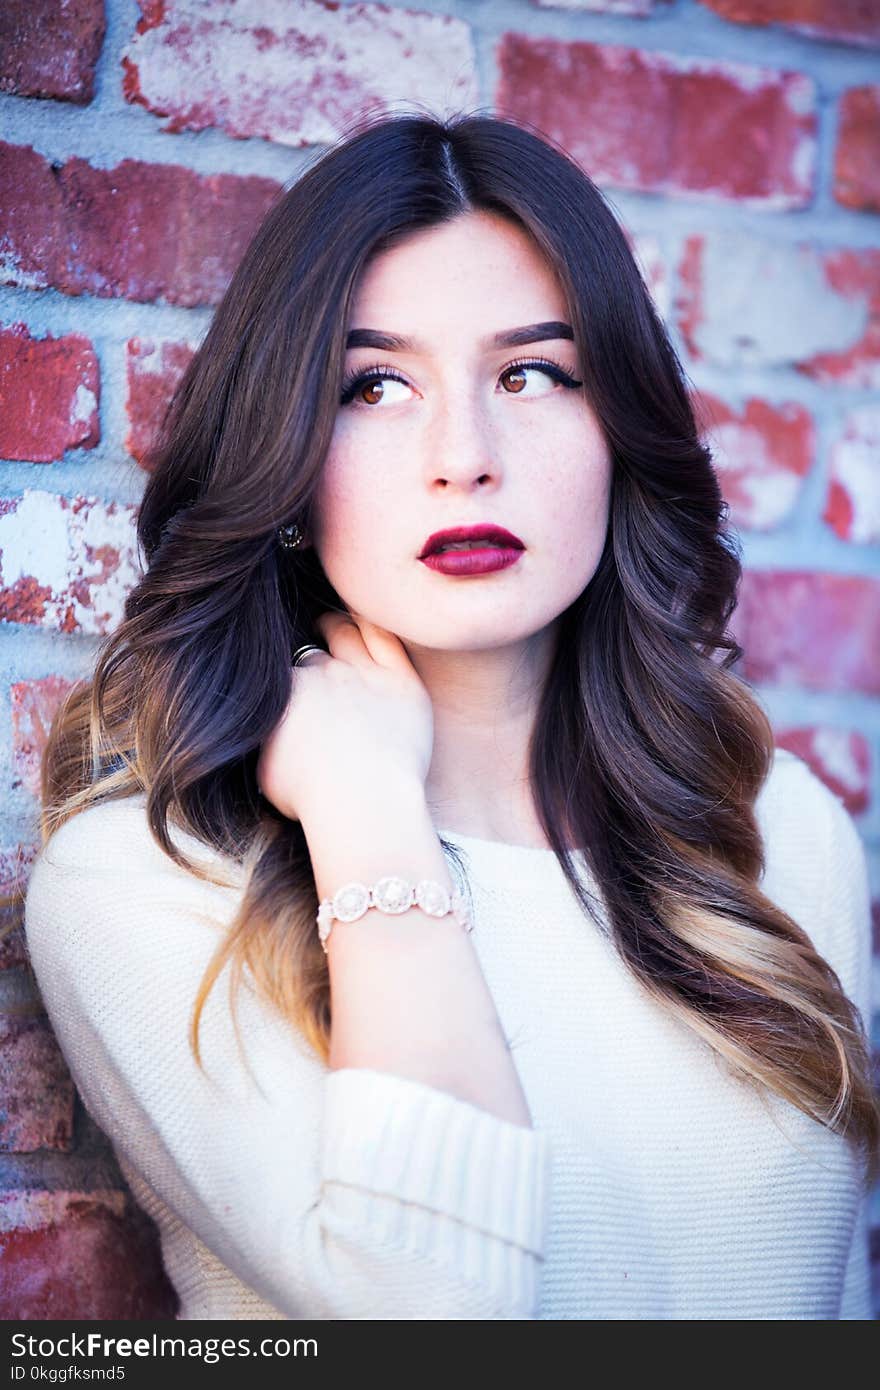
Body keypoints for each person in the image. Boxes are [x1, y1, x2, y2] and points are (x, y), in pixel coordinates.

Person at [21, 111, 878, 1321]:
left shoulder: (777, 836)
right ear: (285, 450)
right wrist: (368, 818)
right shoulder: (150, 882)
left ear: (618, 431)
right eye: (375, 385)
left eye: (531, 373)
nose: (463, 455)